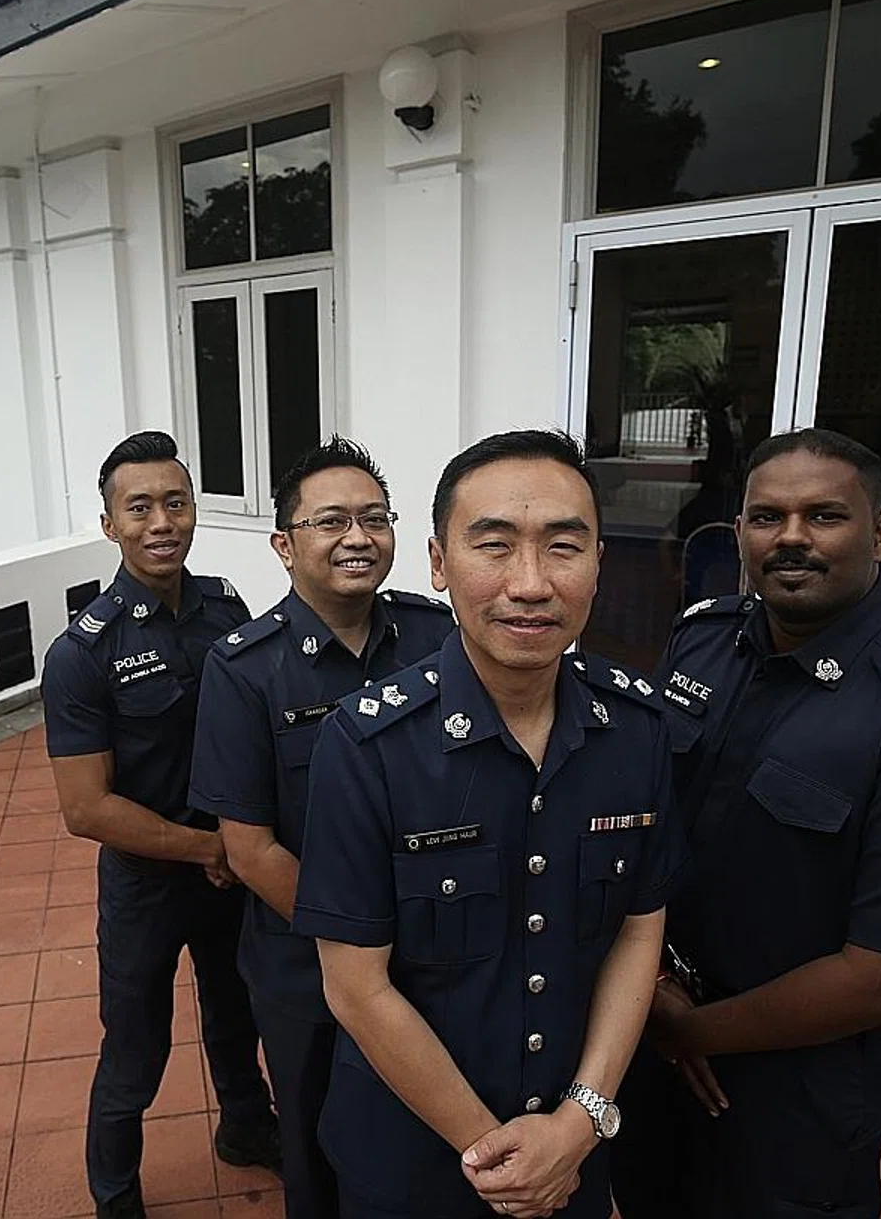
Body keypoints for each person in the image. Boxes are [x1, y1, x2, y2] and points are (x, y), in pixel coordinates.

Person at [609, 428, 881, 1219]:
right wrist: (651, 993)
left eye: (824, 516)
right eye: (767, 517)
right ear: (739, 530)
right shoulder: (704, 639)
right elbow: (648, 816)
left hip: (794, 1084)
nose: (791, 537)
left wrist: (691, 1032)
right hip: (652, 1021)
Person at [293, 430, 686, 1219]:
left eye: (563, 547)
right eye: (495, 546)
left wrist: (580, 1122)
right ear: (439, 564)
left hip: (574, 1151)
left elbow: (639, 931)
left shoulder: (637, 731)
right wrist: (502, 1157)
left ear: (599, 562)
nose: (530, 584)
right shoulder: (368, 746)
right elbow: (356, 987)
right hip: (413, 1164)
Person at [189, 437, 455, 1219]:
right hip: (306, 970)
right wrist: (369, 946)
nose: (358, 538)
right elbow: (250, 850)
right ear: (285, 544)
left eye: (376, 518)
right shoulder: (245, 668)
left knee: (428, 1143)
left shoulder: (437, 638)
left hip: (439, 953)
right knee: (316, 1152)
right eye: (331, 521)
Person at [42, 430, 281, 1219]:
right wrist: (209, 846)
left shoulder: (225, 608)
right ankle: (116, 1197)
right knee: (135, 1050)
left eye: (174, 503)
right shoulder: (82, 653)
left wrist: (241, 844)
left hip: (231, 872)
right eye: (139, 507)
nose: (161, 523)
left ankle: (246, 1127)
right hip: (149, 883)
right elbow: (86, 808)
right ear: (109, 524)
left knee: (237, 1012)